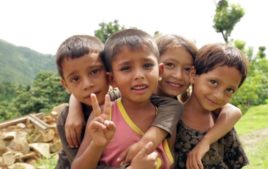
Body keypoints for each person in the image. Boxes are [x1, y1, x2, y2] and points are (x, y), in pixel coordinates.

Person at [55, 34, 181, 169]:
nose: (87, 84)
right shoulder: (67, 120)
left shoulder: (124, 96)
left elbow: (173, 105)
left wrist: (148, 140)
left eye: (94, 72)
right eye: (75, 79)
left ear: (108, 75)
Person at [174, 43, 249, 169]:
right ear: (193, 75)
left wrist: (206, 141)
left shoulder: (222, 124)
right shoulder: (172, 121)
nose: (219, 95)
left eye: (229, 90)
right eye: (213, 82)